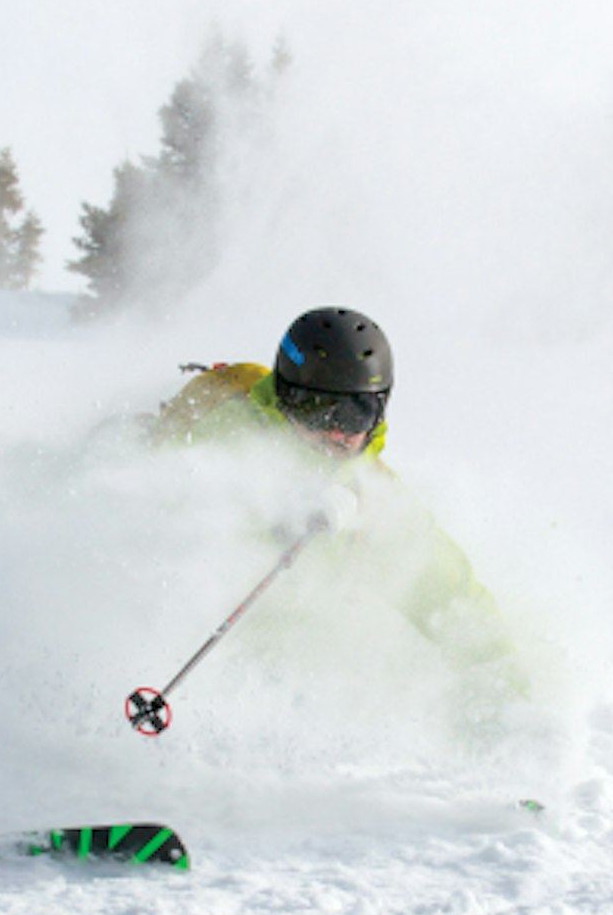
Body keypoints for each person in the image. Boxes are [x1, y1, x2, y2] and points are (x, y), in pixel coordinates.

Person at [150, 306, 526, 723]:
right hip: (201, 642)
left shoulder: (378, 498)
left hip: (278, 680)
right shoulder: (235, 427)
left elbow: (450, 595)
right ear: (284, 398)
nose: (334, 432)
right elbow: (185, 506)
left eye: (353, 415)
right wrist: (283, 514)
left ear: (378, 411)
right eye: (314, 409)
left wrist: (512, 700)